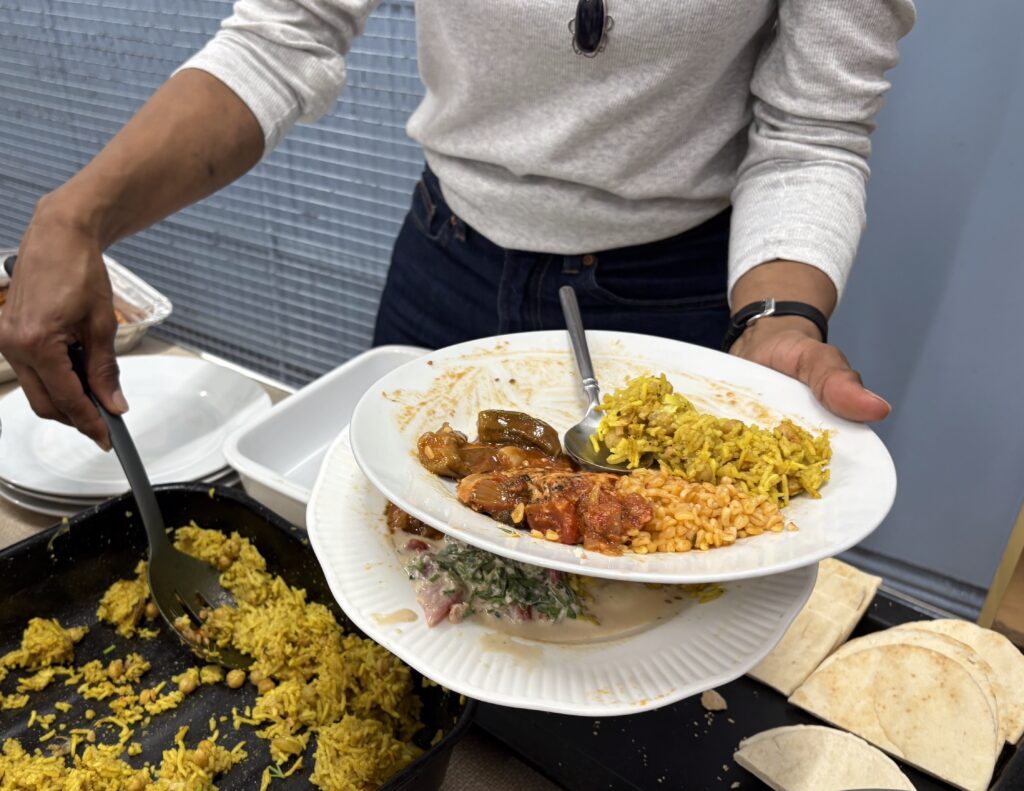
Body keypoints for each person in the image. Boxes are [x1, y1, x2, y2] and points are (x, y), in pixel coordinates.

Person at [0, 1, 915, 451]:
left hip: (671, 298)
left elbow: (812, 129)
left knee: (617, 631)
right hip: (447, 266)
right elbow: (284, 34)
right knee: (411, 587)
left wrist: (778, 318)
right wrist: (76, 215)